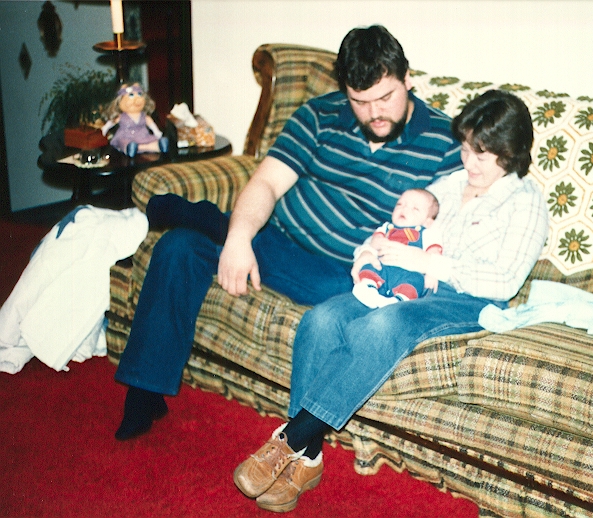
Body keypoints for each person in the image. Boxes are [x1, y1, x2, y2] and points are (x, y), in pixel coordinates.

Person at [112, 25, 463, 441]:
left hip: (347, 271)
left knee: (336, 288)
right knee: (178, 246)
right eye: (360, 101)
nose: (374, 113)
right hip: (277, 240)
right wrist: (239, 241)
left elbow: (452, 230)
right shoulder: (319, 115)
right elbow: (266, 183)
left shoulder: (445, 142)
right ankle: (145, 391)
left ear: (408, 79)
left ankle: (211, 219)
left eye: (385, 97)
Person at [232, 89, 549, 513]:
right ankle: (307, 460)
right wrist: (368, 253)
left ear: (511, 154)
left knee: (382, 326)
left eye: (482, 154)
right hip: (403, 280)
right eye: (465, 149)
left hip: (467, 299)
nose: (469, 162)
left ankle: (289, 440)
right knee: (323, 318)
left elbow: (504, 281)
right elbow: (398, 225)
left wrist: (428, 262)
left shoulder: (526, 202)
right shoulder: (451, 184)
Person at [353, 188, 442, 307]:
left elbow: (434, 253)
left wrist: (432, 273)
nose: (404, 209)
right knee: (370, 267)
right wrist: (376, 242)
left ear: (428, 222)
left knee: (416, 281)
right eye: (400, 204)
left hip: (409, 272)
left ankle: (399, 300)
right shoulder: (386, 228)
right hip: (383, 266)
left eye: (415, 209)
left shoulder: (427, 234)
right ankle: (368, 288)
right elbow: (373, 243)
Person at [101, 83, 169, 157]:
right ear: (120, 101)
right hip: (125, 136)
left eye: (139, 94)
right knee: (123, 143)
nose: (138, 99)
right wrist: (105, 128)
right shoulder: (121, 116)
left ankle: (157, 146)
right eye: (131, 95)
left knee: (152, 139)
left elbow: (150, 123)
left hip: (143, 136)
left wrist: (156, 131)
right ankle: (130, 148)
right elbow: (112, 122)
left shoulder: (144, 116)